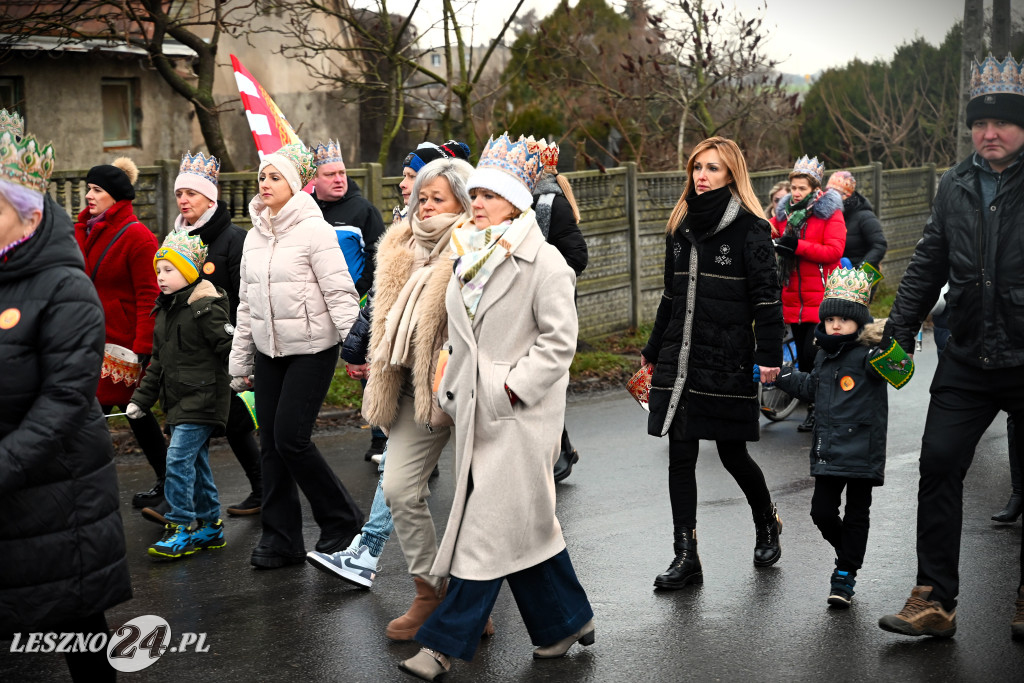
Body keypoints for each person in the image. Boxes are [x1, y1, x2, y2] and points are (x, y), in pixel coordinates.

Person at [398, 133, 594, 681]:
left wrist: (508, 387)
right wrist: (453, 386)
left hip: (519, 418)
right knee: (525, 529)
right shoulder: (470, 253)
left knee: (481, 532)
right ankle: (565, 622)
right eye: (475, 194)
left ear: (517, 201)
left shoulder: (546, 262)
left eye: (488, 195)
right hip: (474, 412)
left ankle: (440, 646)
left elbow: (559, 343)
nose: (476, 203)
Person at [877, 54, 1024, 640]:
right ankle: (935, 597)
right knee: (938, 463)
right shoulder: (954, 183)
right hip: (965, 350)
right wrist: (898, 329)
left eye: (1005, 122)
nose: (990, 133)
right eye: (980, 123)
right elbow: (928, 260)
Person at [0, 119, 131, 682]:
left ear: (29, 216)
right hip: (11, 492)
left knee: (76, 625)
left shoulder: (63, 285)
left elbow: (63, 398)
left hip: (58, 490)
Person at [312, 142, 474, 591]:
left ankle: (476, 597)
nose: (423, 206)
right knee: (400, 490)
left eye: (436, 198)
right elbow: (379, 308)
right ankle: (429, 589)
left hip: (465, 389)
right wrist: (367, 350)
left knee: (479, 502)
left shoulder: (474, 248)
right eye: (421, 197)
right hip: (408, 385)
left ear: (463, 201)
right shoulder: (400, 244)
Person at [641, 136, 785, 591]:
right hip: (678, 356)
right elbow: (671, 295)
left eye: (713, 169)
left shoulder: (751, 229)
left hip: (726, 358)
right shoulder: (679, 225)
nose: (702, 176)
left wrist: (768, 358)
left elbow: (767, 299)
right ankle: (687, 556)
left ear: (731, 175)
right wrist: (651, 347)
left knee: (731, 452)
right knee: (680, 455)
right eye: (698, 167)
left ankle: (766, 521)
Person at [228, 142, 364, 569]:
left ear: (293, 184)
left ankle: (343, 520)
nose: (265, 184)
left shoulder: (315, 230)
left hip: (312, 349)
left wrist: (356, 349)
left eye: (274, 177)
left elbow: (340, 294)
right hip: (270, 351)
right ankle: (281, 538)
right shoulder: (253, 235)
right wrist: (241, 361)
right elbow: (246, 304)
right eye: (262, 177)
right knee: (270, 444)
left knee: (291, 437)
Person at [139, 151, 262, 524]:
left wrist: (241, 346)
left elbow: (245, 295)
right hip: (187, 350)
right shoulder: (176, 238)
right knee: (200, 428)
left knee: (227, 422)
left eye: (192, 193)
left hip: (222, 344)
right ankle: (196, 505)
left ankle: (252, 492)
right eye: (180, 194)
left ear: (211, 197)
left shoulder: (233, 239)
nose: (184, 201)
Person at [774, 267, 888, 607]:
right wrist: (781, 376)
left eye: (844, 319)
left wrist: (891, 338)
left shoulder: (870, 355)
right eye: (830, 319)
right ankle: (848, 551)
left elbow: (901, 371)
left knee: (857, 512)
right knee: (821, 512)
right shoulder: (823, 353)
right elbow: (811, 387)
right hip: (829, 450)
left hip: (862, 448)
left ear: (858, 321)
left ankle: (844, 576)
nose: (835, 325)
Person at [128, 231, 233, 559]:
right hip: (178, 401)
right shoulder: (166, 311)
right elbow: (158, 362)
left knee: (177, 460)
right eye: (158, 270)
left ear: (188, 272)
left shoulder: (205, 307)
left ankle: (180, 526)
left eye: (169, 270)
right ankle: (210, 526)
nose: (160, 277)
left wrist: (246, 373)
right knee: (196, 462)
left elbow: (230, 348)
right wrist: (140, 401)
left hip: (203, 399)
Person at [74, 155, 166, 507]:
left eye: (96, 190)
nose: (89, 196)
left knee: (135, 414)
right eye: (87, 189)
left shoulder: (138, 237)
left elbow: (149, 295)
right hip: (90, 340)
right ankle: (88, 488)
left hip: (124, 346)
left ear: (116, 196)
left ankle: (169, 482)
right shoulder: (82, 231)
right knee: (90, 414)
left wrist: (144, 346)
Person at [311, 140, 388, 461]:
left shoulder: (363, 210)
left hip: (355, 303)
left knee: (366, 371)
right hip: (312, 307)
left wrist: (357, 289)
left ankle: (381, 437)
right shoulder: (305, 210)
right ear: (314, 179)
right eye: (330, 174)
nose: (339, 178)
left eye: (342, 172)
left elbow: (379, 254)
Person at [769, 155, 846, 433]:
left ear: (814, 188)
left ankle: (818, 410)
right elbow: (772, 232)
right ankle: (814, 407)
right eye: (793, 188)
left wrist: (796, 246)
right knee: (803, 359)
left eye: (802, 188)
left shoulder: (829, 213)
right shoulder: (784, 214)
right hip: (794, 299)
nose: (796, 193)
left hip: (822, 298)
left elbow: (834, 251)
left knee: (813, 356)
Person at [532, 142, 589, 482]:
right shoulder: (532, 200)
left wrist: (544, 279)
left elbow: (577, 257)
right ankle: (561, 451)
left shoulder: (549, 204)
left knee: (545, 381)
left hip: (548, 307)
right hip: (535, 306)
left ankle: (560, 453)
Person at [826, 171, 887, 270]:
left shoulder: (865, 217)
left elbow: (879, 246)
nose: (831, 198)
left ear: (847, 195)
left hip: (859, 277)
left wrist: (860, 269)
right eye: (828, 192)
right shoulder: (827, 215)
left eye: (836, 193)